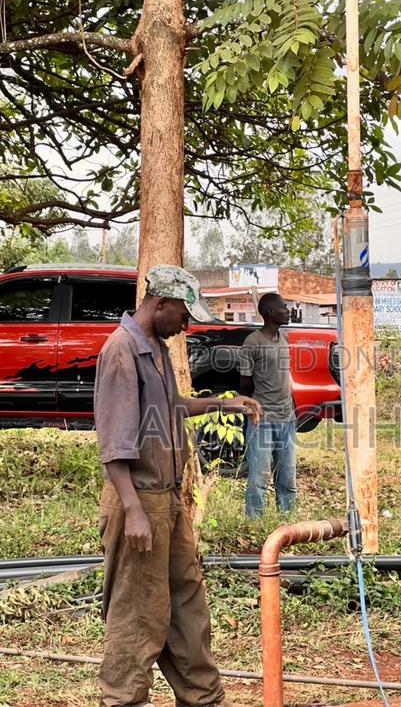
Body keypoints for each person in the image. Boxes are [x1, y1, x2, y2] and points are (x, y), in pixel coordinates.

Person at [94, 264, 261, 707]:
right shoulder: (121, 351)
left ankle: (203, 698)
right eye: (185, 314)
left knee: (186, 603)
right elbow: (113, 444)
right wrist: (132, 511)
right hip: (138, 500)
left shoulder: (155, 347)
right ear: (160, 303)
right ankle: (124, 699)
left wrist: (224, 403)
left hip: (166, 500)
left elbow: (170, 406)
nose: (187, 324)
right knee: (137, 612)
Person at [239, 292, 296, 519]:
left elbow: (283, 377)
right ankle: (254, 524)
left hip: (287, 420)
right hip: (262, 420)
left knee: (287, 478)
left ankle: (288, 524)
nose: (288, 310)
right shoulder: (252, 343)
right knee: (259, 478)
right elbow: (245, 383)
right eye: (284, 307)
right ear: (271, 313)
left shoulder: (285, 338)